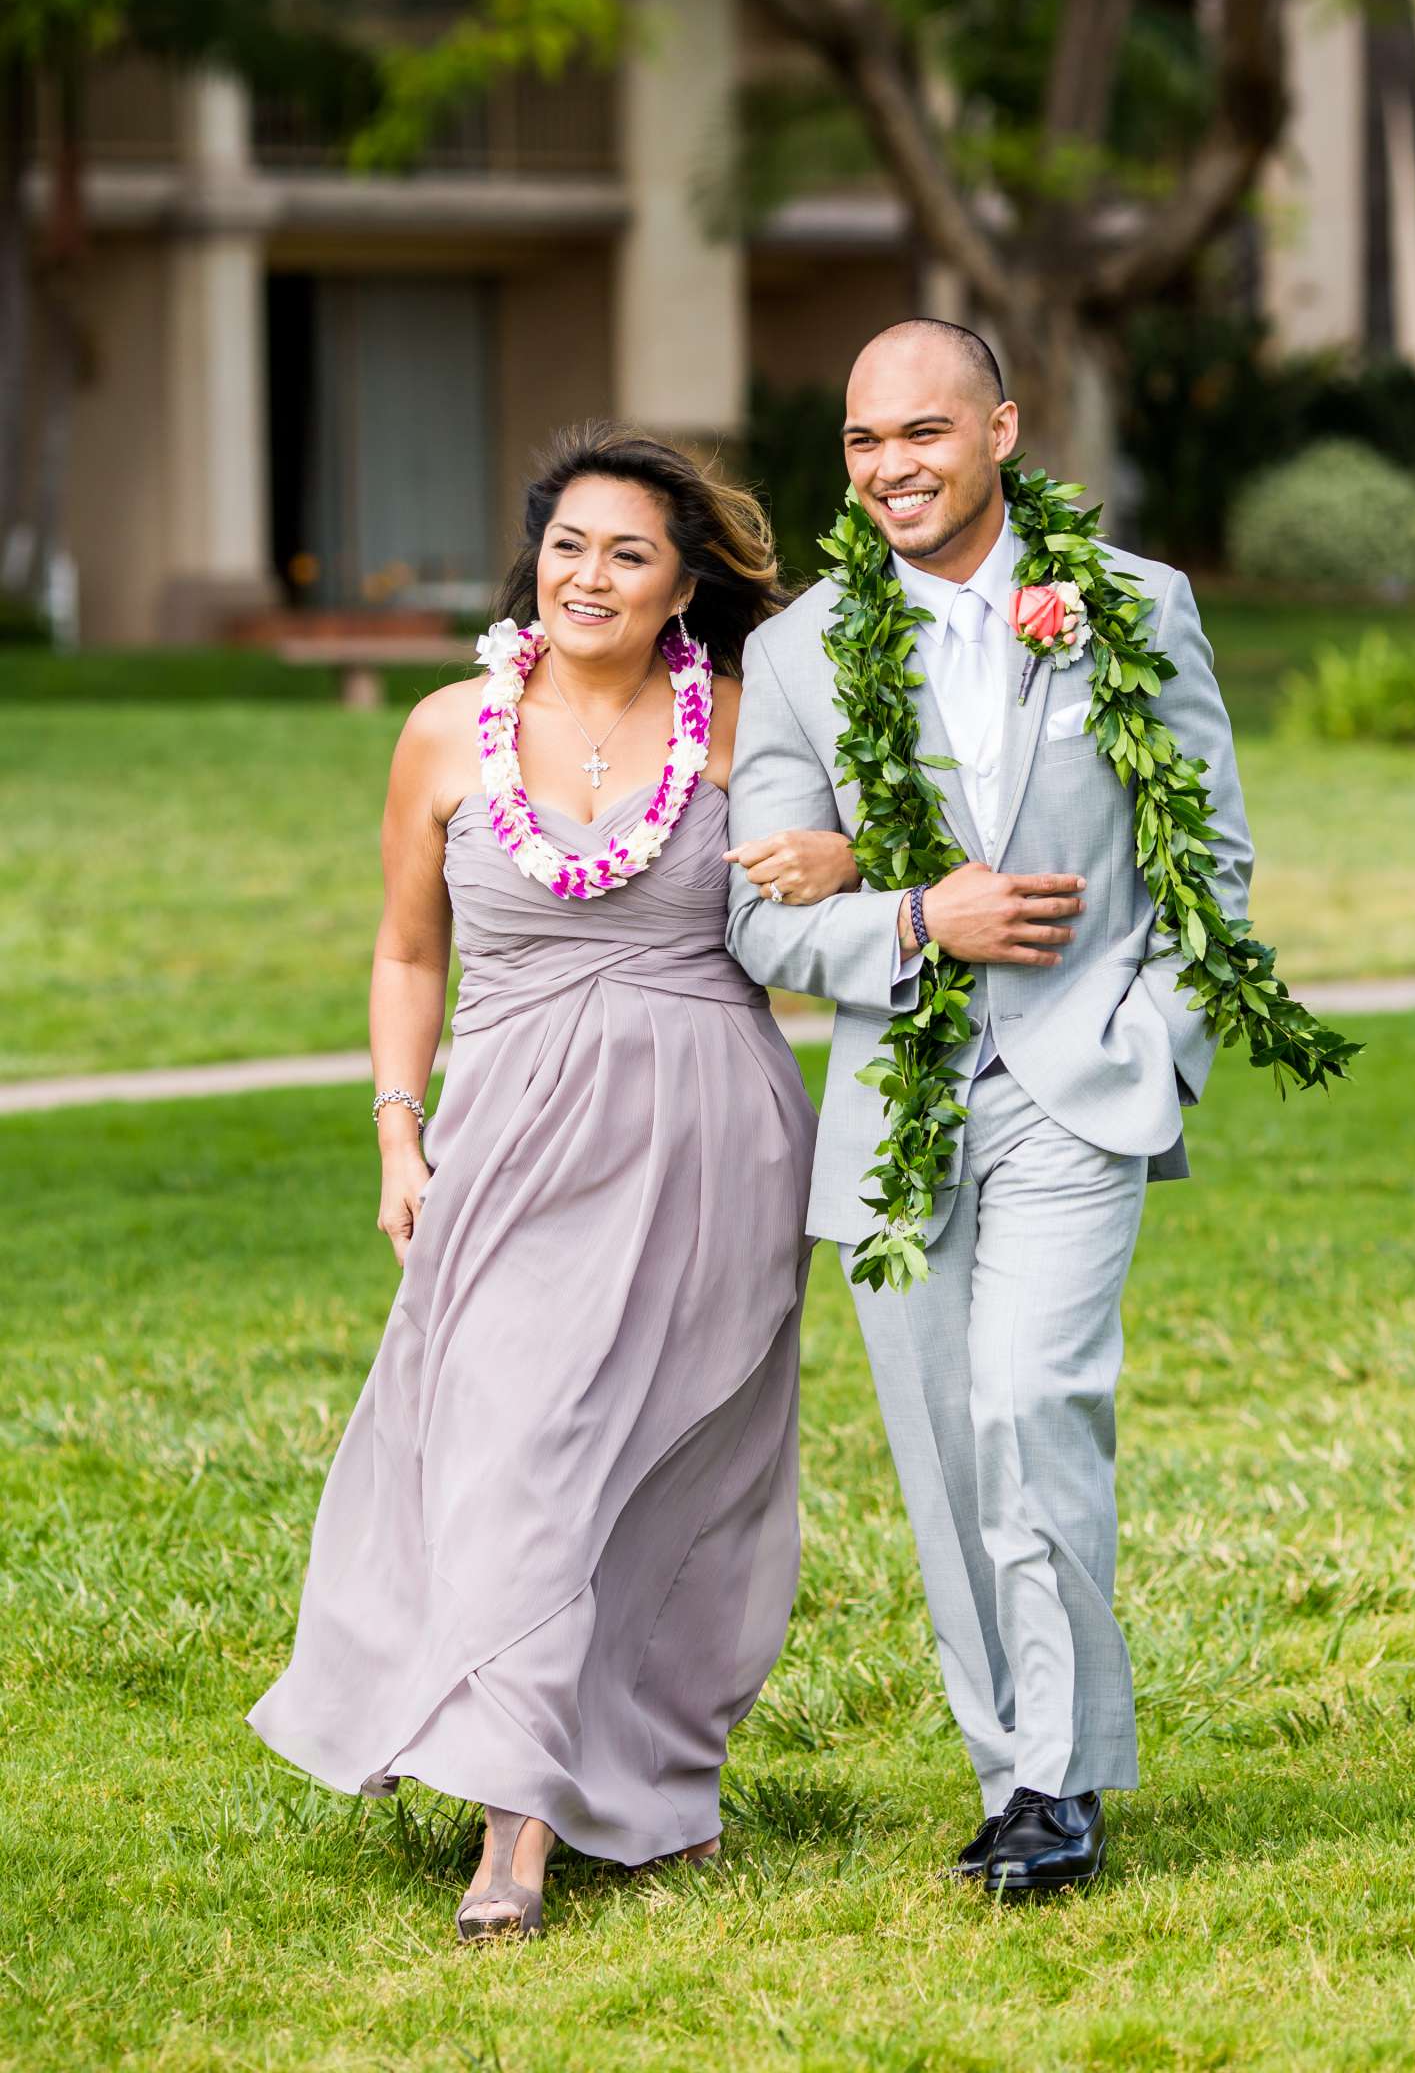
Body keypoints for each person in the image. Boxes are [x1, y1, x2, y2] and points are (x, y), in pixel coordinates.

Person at [249, 424, 856, 1941]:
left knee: (679, 1463)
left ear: (681, 585)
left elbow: (856, 867)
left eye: (629, 554)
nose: (591, 575)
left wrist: (845, 865)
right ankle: (512, 1834)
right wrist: (399, 1131)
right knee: (516, 1453)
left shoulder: (742, 729)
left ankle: (648, 1784)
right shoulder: (449, 733)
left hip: (715, 1130)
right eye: (570, 546)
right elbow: (406, 951)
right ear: (538, 563)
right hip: (513, 1142)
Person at [724, 320, 1252, 1896]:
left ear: (1004, 428)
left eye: (925, 434)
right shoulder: (799, 653)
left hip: (1079, 1081)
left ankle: (1063, 1786)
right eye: (862, 441)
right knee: (948, 1449)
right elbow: (759, 918)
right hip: (897, 1105)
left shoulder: (1129, 606)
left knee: (1033, 1404)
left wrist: (1159, 1043)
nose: (892, 467)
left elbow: (1207, 862)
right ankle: (1012, 1764)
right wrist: (908, 921)